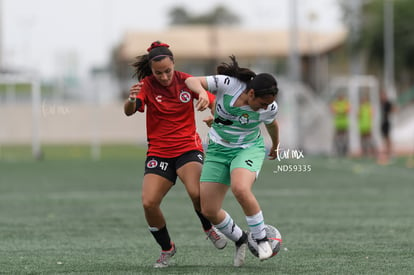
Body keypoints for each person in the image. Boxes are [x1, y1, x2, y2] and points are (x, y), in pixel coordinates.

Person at [124, 41, 226, 268]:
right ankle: (167, 248)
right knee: (149, 203)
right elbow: (130, 111)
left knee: (196, 192)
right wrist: (131, 100)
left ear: (174, 65)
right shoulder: (146, 86)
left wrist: (214, 117)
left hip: (187, 149)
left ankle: (209, 228)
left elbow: (213, 103)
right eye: (158, 73)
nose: (164, 76)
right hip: (159, 153)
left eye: (167, 71)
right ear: (151, 71)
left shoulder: (187, 81)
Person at [185, 56, 280, 267]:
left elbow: (272, 126)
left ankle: (262, 239)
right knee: (208, 209)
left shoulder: (269, 107)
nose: (265, 108)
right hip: (218, 149)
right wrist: (201, 92)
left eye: (269, 104)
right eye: (262, 103)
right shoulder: (229, 85)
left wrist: (275, 145)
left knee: (240, 188)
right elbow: (190, 81)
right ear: (252, 93)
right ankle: (241, 239)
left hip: (248, 149)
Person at [378, 91, 394, 164]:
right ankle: (386, 153)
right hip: (382, 123)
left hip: (386, 122)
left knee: (387, 138)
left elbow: (394, 109)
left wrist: (389, 112)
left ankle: (390, 153)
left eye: (383, 95)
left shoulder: (387, 103)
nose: (382, 97)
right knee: (384, 138)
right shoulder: (381, 103)